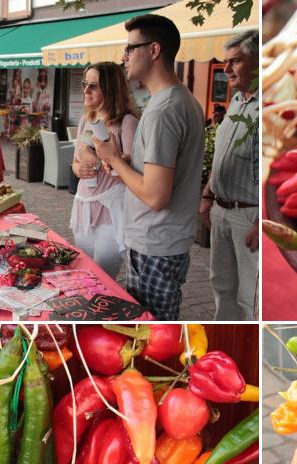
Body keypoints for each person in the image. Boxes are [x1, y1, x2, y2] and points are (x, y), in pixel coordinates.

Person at [93, 14, 204, 320]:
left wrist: (114, 158)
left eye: (130, 48)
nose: (123, 56)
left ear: (154, 50)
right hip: (165, 240)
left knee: (151, 328)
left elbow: (156, 196)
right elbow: (167, 172)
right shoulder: (183, 100)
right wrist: (131, 164)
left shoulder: (163, 110)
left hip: (155, 242)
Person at [199, 30, 260, 320]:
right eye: (225, 62)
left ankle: (244, 334)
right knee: (220, 283)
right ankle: (225, 331)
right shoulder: (236, 102)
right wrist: (207, 195)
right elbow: (222, 156)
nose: (226, 70)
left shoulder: (266, 108)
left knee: (246, 293)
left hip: (248, 215)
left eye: (234, 61)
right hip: (221, 210)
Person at [70, 62, 138, 277]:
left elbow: (133, 174)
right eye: (84, 84)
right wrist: (80, 169)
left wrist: (100, 161)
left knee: (102, 277)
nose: (86, 90)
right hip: (84, 206)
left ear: (110, 89)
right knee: (83, 272)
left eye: (93, 86)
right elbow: (74, 164)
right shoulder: (85, 120)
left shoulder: (127, 123)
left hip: (111, 209)